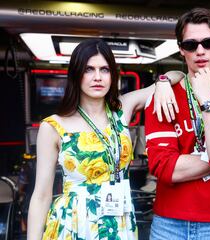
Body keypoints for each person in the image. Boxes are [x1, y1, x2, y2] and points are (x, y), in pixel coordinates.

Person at [27, 39, 183, 240]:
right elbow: (41, 195)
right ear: (76, 74)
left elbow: (178, 75)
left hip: (118, 221)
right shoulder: (53, 126)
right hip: (74, 224)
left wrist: (162, 83)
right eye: (89, 69)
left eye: (105, 70)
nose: (97, 77)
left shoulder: (122, 109)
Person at [144, 8, 210, 240]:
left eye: (208, 42)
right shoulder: (163, 96)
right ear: (181, 49)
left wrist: (207, 102)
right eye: (191, 45)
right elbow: (163, 167)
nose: (200, 51)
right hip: (168, 224)